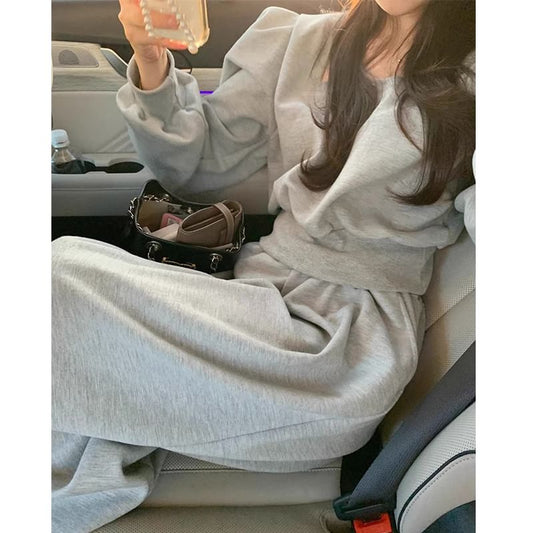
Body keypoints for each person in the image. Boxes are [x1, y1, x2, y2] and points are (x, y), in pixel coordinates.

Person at [51, 0, 475, 531]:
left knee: (58, 280)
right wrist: (152, 59)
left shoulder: (483, 73)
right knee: (59, 286)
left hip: (342, 353)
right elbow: (197, 168)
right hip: (257, 296)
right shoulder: (298, 40)